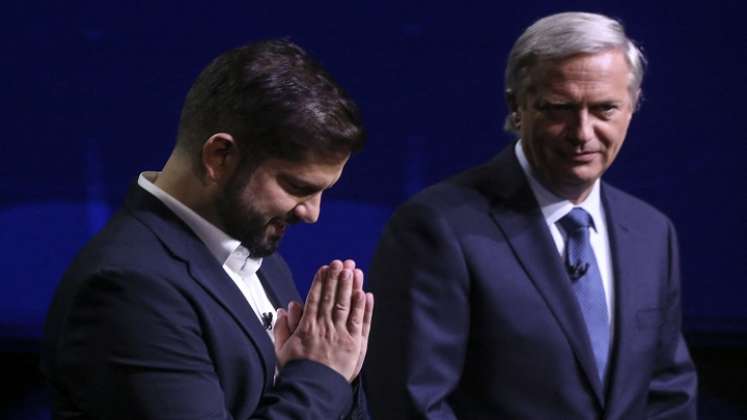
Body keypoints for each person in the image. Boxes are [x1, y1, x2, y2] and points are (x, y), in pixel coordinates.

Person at [365, 12, 697, 419]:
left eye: (605, 109)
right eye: (559, 108)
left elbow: (668, 393)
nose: (582, 132)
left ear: (633, 106)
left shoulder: (651, 232)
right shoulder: (437, 227)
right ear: (516, 106)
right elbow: (413, 403)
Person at [42, 39, 374, 420]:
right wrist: (323, 375)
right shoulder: (128, 286)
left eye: (323, 192)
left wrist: (338, 370)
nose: (313, 214)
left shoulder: (262, 259)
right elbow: (316, 387)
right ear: (220, 156)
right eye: (297, 187)